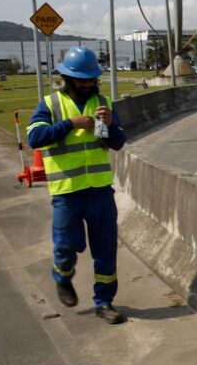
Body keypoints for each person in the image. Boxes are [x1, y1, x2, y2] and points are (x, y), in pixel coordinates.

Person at [27, 46, 127, 325]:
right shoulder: (50, 104)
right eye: (81, 79)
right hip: (67, 192)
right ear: (67, 78)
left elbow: (118, 143)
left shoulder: (104, 102)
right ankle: (62, 275)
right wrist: (69, 124)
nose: (86, 84)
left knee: (105, 248)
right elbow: (35, 138)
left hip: (99, 190)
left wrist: (111, 125)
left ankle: (104, 302)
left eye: (90, 79)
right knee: (66, 246)